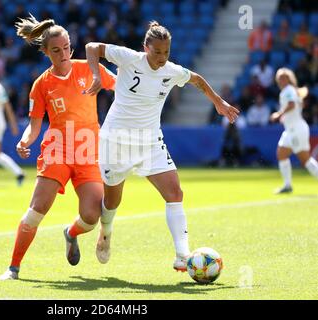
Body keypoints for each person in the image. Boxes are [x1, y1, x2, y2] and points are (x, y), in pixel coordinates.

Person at [85, 21, 239, 271]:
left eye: (166, 52)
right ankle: (106, 232)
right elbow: (92, 47)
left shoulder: (171, 71)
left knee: (175, 193)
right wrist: (95, 75)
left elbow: (197, 79)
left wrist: (218, 102)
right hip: (116, 142)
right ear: (146, 48)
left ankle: (182, 256)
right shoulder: (128, 58)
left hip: (150, 144)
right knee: (112, 202)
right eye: (157, 52)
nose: (161, 57)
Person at [0, 15, 116, 280]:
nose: (63, 54)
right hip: (58, 149)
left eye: (66, 48)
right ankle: (13, 268)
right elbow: (34, 126)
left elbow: (122, 88)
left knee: (91, 215)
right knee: (37, 209)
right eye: (56, 50)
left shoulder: (90, 69)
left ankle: (70, 233)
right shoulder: (42, 85)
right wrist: (25, 141)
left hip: (88, 150)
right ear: (45, 52)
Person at [270, 68, 318, 193]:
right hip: (290, 130)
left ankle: (287, 185)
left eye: (283, 77)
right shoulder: (289, 91)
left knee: (305, 160)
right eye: (279, 77)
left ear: (288, 79)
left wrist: (279, 114)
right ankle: (287, 185)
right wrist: (285, 117)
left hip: (296, 130)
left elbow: (291, 105)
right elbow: (296, 106)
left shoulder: (288, 90)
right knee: (281, 153)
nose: (280, 80)